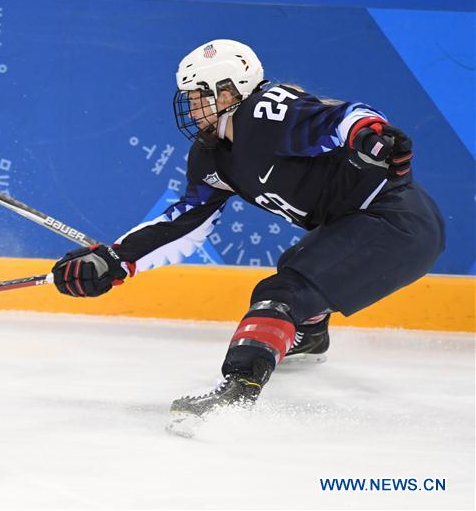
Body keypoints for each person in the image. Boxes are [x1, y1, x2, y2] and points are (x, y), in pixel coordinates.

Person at [50, 39, 444, 436]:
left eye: (197, 96)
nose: (189, 107)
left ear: (228, 92)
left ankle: (238, 390)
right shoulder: (212, 155)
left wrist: (369, 135)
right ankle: (309, 334)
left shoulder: (266, 111)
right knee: (296, 265)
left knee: (283, 290)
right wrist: (116, 260)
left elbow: (344, 116)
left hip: (396, 220)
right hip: (356, 221)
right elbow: (186, 220)